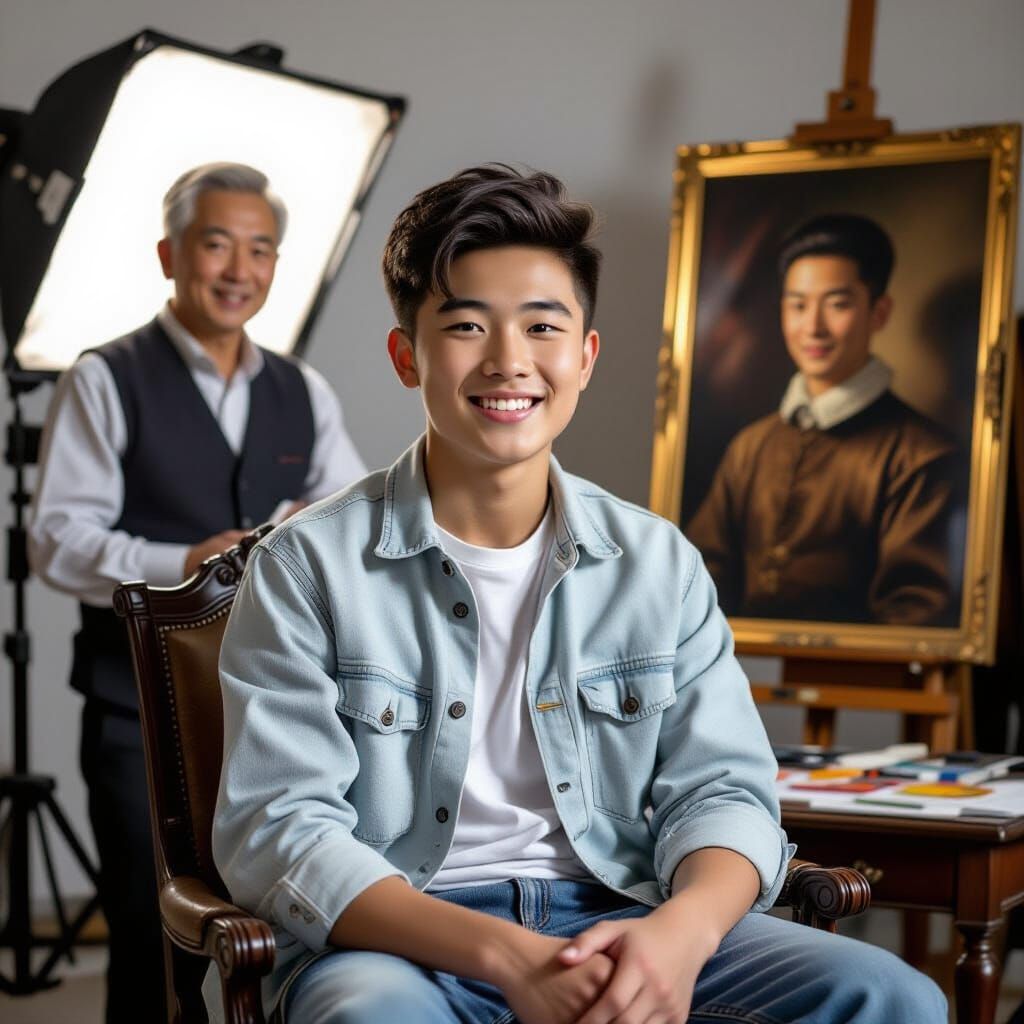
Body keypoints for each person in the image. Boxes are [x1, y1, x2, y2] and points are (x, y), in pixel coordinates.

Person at [209, 167, 946, 1023]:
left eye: (542, 326)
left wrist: (679, 936)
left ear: (585, 357)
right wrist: (509, 957)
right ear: (407, 355)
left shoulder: (657, 562)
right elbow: (279, 831)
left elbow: (726, 792)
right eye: (467, 326)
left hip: (624, 910)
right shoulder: (307, 565)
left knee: (890, 997)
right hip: (401, 942)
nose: (509, 361)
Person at [29, 162, 366, 1024]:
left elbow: (354, 526)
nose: (239, 269)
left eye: (261, 250)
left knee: (282, 933)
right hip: (135, 719)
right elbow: (56, 541)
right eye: (217, 244)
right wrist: (190, 559)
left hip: (279, 717)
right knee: (152, 946)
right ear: (169, 254)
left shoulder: (305, 391)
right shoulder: (104, 378)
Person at [687, 214, 963, 626]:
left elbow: (917, 614)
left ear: (879, 312)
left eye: (837, 304)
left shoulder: (923, 454)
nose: (812, 327)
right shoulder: (752, 445)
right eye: (798, 305)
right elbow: (698, 581)